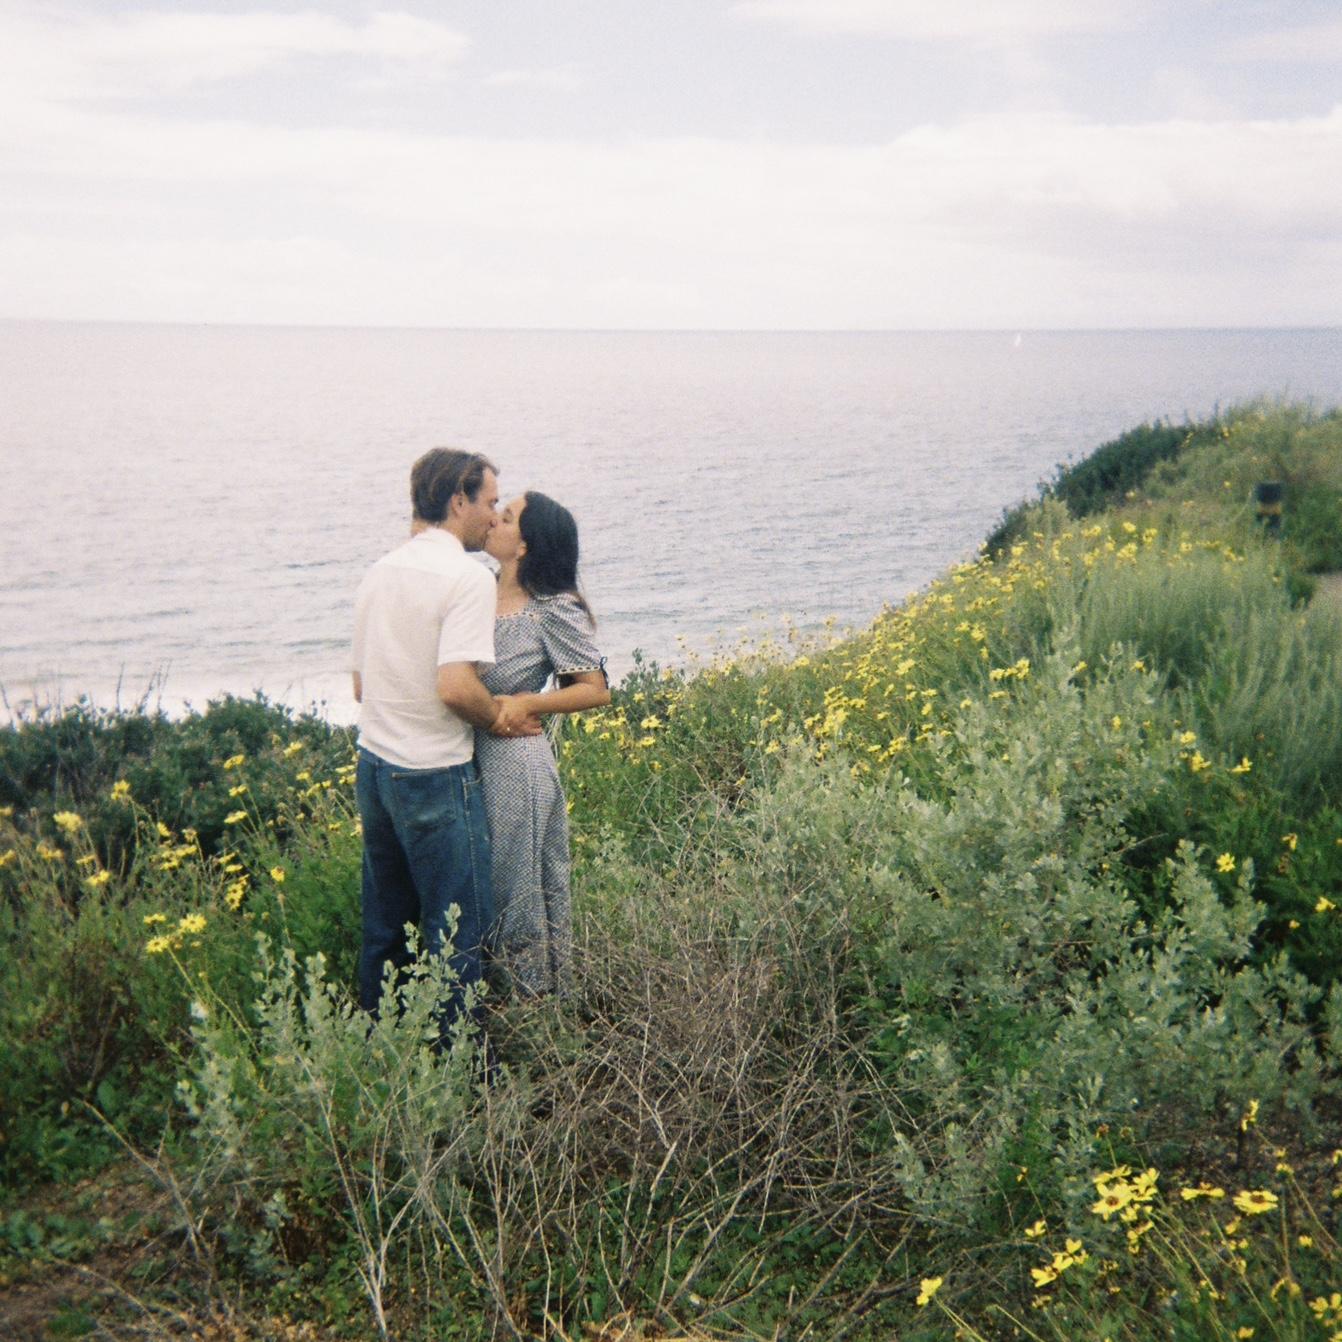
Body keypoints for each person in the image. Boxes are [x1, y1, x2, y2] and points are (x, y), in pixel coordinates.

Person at [351, 448, 541, 1037]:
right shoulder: (466, 577)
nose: (494, 516)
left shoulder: (379, 572)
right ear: (458, 501)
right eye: (489, 502)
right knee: (457, 933)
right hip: (434, 774)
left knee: (386, 929)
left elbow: (361, 686)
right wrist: (501, 718)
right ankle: (462, 1071)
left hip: (374, 768)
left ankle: (379, 1051)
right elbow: (457, 687)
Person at [476, 491, 610, 997]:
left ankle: (533, 1007)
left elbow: (595, 688)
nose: (493, 519)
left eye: (506, 517)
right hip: (469, 755)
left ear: (524, 546)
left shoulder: (549, 609)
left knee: (519, 887)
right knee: (486, 885)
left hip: (516, 763)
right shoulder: (473, 587)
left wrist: (529, 702)